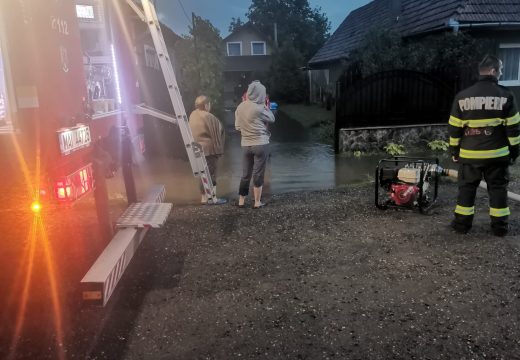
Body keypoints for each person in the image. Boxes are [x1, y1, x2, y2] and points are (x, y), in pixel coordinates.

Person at [448, 54, 519, 236]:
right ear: (493, 71)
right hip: (497, 155)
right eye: (501, 70)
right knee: (498, 189)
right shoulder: (506, 95)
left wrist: (454, 151)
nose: (501, 73)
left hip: (470, 154)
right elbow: (513, 129)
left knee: (466, 189)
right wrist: (514, 152)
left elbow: (454, 129)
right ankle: (500, 229)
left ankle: (461, 226)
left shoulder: (462, 97)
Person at [235, 80, 275, 208]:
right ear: (260, 94)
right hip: (260, 144)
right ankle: (257, 202)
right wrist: (264, 105)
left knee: (245, 173)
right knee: (258, 173)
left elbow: (237, 126)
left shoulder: (240, 107)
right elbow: (272, 118)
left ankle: (241, 201)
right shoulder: (259, 107)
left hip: (245, 144)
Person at [189, 95, 227, 204]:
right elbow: (219, 131)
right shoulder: (209, 116)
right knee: (211, 173)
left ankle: (203, 198)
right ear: (206, 105)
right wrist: (219, 149)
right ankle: (213, 198)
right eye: (209, 104)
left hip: (197, 149)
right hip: (210, 150)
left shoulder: (192, 115)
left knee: (202, 173)